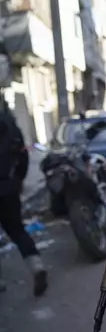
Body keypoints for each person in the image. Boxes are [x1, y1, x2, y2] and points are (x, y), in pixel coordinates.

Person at [0, 105, 47, 296]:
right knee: (17, 230)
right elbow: (23, 154)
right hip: (8, 187)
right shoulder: (10, 125)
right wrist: (18, 179)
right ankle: (37, 267)